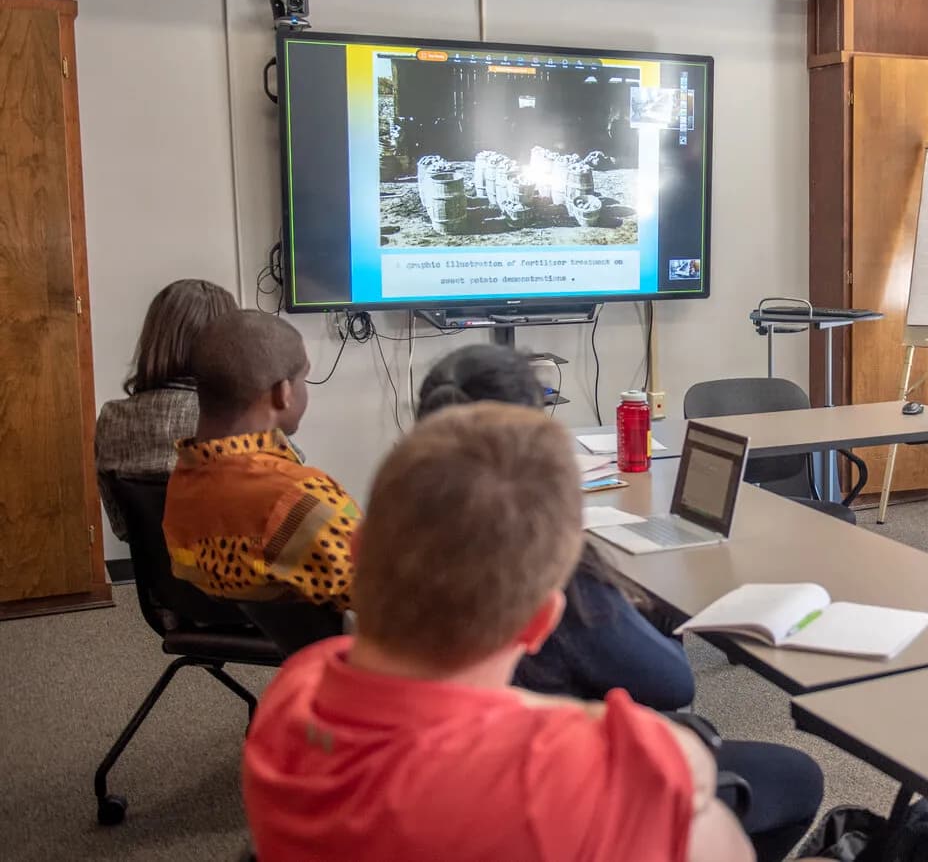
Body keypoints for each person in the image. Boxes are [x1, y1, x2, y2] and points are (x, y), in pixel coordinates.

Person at [242, 402, 754, 862]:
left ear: (358, 552)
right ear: (539, 623)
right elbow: (705, 807)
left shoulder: (295, 688)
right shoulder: (562, 770)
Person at [416, 344, 824, 862]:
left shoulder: (405, 531)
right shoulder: (548, 566)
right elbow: (672, 684)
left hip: (465, 770)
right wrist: (655, 614)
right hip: (567, 784)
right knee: (796, 777)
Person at [162, 310, 357, 616]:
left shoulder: (184, 479)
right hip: (366, 652)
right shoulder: (302, 498)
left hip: (246, 627)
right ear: (283, 393)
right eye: (303, 378)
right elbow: (389, 594)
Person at [95, 279, 236, 540]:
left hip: (156, 577)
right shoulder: (239, 419)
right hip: (242, 577)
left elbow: (122, 528)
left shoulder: (111, 419)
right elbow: (289, 510)